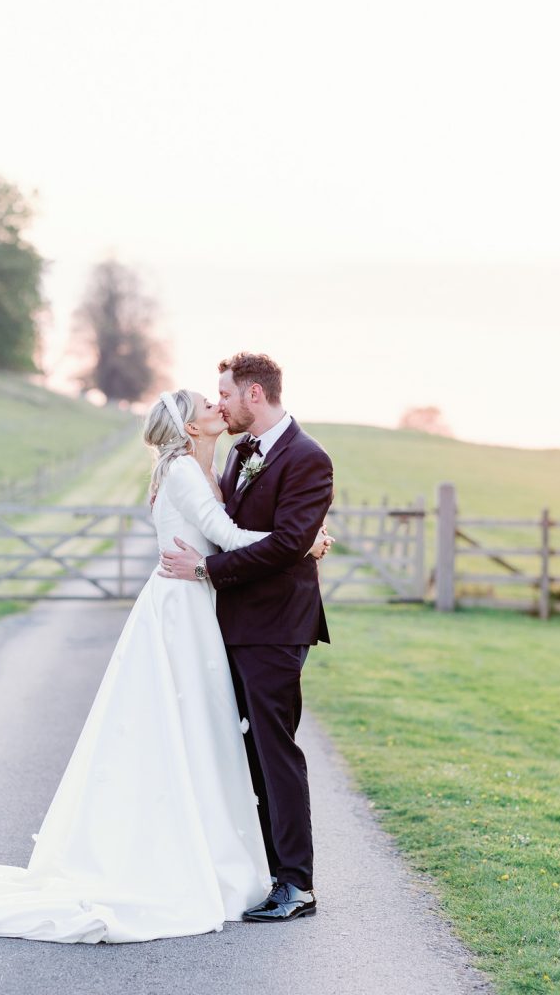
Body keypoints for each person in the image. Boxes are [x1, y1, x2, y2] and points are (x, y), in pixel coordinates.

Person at [0, 389, 300, 944]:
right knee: (184, 727)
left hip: (191, 603)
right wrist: (301, 544)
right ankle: (185, 856)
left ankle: (209, 845)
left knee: (197, 728)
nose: (218, 407)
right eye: (206, 404)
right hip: (180, 609)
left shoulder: (198, 468)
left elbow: (217, 538)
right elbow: (223, 539)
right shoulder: (183, 475)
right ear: (191, 428)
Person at [159, 353, 334, 923]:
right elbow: (234, 527)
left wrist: (209, 572)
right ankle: (262, 869)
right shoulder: (239, 453)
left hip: (277, 626)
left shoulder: (308, 458)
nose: (221, 404)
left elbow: (285, 544)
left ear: (254, 394)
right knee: (244, 751)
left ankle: (296, 884)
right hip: (231, 625)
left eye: (225, 394)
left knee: (274, 750)